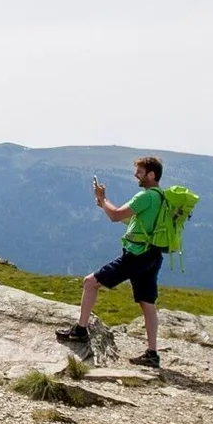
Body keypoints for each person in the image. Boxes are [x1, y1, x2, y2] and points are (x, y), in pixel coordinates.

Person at [56, 156, 168, 368]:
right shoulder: (161, 197)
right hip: (152, 255)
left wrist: (103, 197)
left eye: (140, 172)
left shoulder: (145, 196)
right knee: (147, 304)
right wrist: (104, 205)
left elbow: (117, 216)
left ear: (151, 174)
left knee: (90, 282)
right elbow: (132, 220)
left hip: (136, 255)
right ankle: (152, 353)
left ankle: (80, 331)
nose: (136, 175)